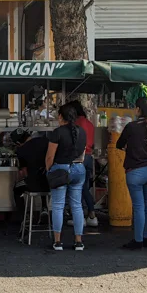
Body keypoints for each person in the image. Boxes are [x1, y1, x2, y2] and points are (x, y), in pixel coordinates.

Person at [116, 98, 147, 250]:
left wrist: (129, 147)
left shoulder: (131, 126)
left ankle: (138, 240)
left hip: (135, 171)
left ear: (138, 110)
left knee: (139, 206)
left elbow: (119, 144)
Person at [46, 103, 88, 251]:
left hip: (60, 169)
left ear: (60, 117)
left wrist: (49, 171)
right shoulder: (82, 132)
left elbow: (50, 157)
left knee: (58, 205)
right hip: (79, 168)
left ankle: (58, 242)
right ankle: (78, 241)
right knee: (77, 205)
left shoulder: (57, 133)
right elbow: (82, 155)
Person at [69, 101, 98, 228]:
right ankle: (91, 215)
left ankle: (83, 216)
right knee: (84, 187)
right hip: (89, 156)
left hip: (79, 157)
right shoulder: (89, 124)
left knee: (78, 187)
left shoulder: (75, 124)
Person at [11, 129, 50, 222]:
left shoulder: (21, 150)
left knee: (17, 189)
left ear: (18, 143)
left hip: (33, 184)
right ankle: (44, 208)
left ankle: (25, 216)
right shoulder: (46, 141)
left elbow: (24, 172)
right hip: (51, 182)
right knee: (43, 181)